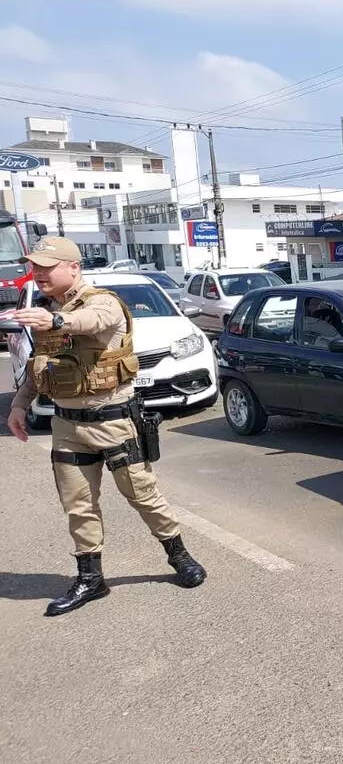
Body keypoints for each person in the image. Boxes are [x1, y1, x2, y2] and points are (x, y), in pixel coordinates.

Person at [5, 237, 206, 616]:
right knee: (78, 506)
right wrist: (19, 405)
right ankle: (91, 578)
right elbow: (38, 365)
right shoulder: (47, 310)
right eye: (36, 266)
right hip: (66, 425)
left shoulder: (102, 302)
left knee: (143, 495)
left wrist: (58, 320)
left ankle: (179, 556)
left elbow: (95, 321)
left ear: (73, 268)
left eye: (48, 266)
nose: (39, 273)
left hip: (112, 422)